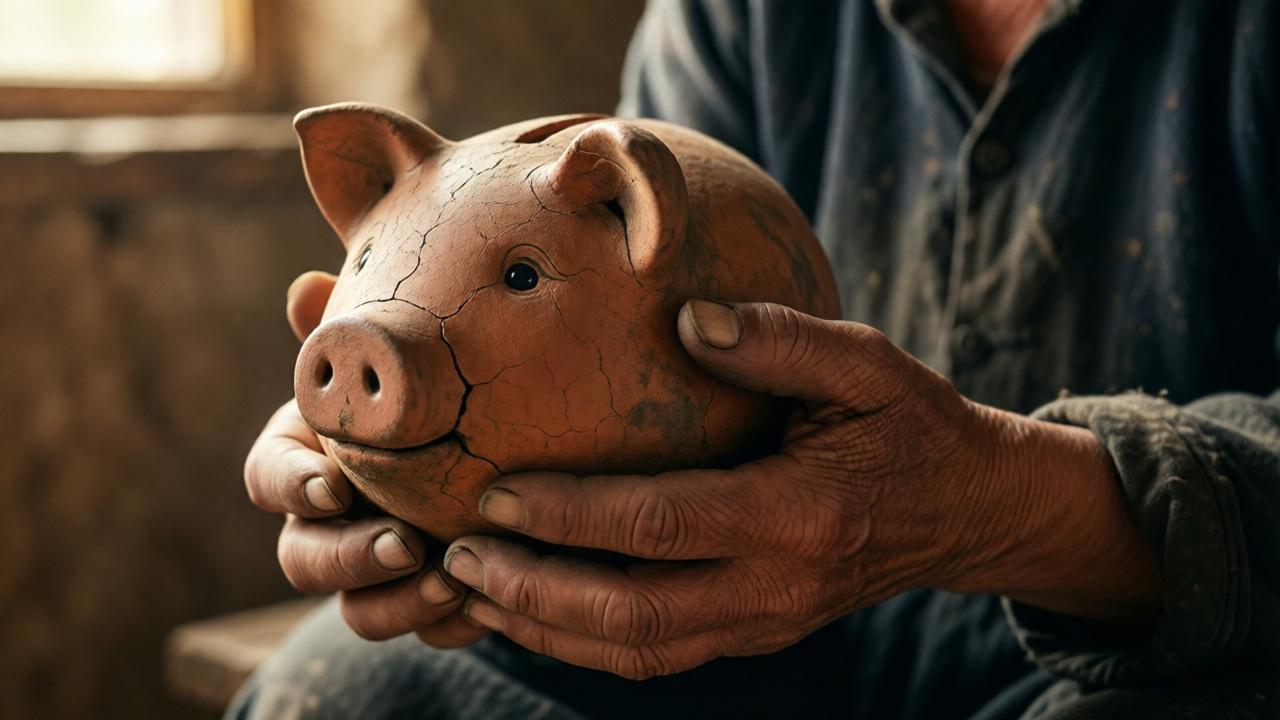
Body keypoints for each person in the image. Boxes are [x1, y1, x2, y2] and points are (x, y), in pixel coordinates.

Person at [229, 1, 1280, 717]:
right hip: (759, 621)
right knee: (340, 693)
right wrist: (400, 480)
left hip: (1182, 639)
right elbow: (615, 343)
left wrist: (997, 504)